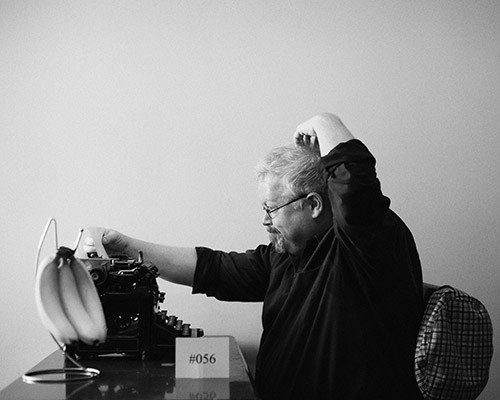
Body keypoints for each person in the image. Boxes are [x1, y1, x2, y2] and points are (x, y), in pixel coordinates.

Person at [95, 113, 424, 399]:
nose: (265, 220)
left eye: (271, 209)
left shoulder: (366, 248)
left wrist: (326, 121)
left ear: (313, 205)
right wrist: (126, 247)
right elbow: (212, 269)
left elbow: (355, 187)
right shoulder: (283, 255)